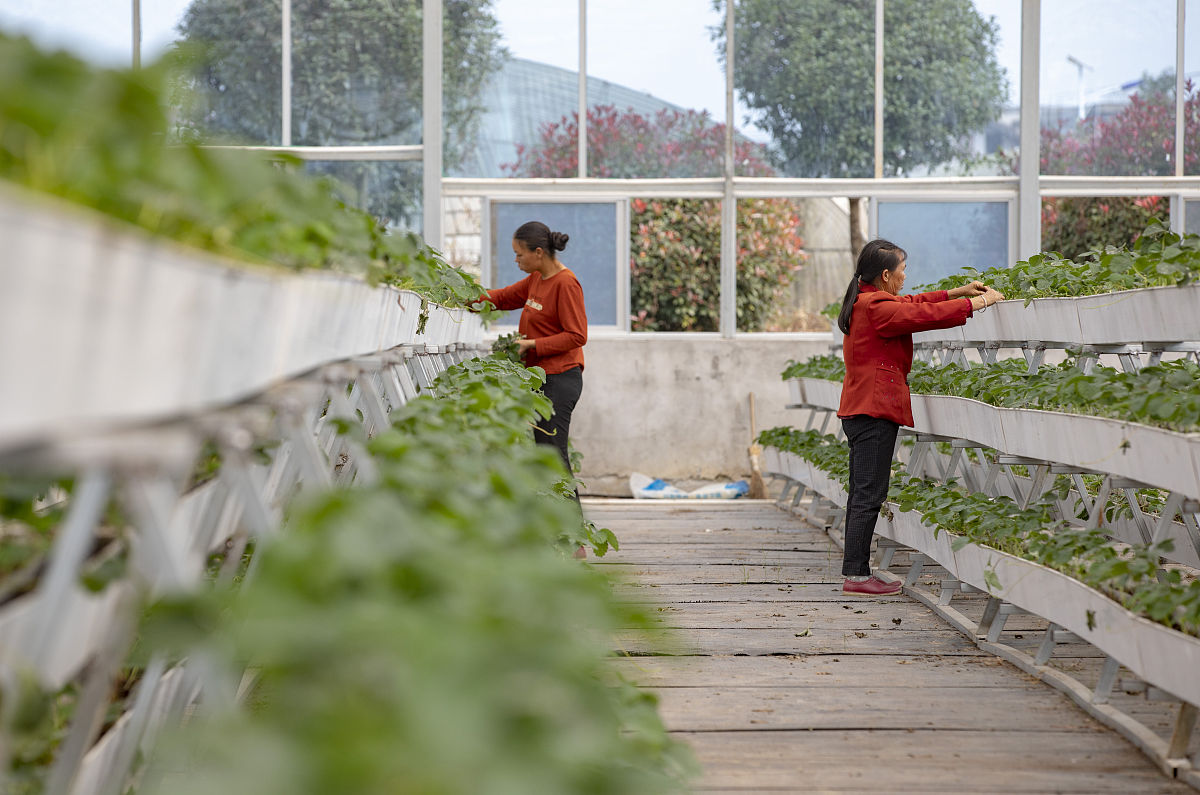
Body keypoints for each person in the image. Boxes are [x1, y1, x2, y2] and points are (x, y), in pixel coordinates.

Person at [836, 239, 1003, 595]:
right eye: (902, 270)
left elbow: (913, 303)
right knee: (869, 493)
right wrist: (977, 303)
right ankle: (857, 576)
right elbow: (921, 316)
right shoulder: (875, 306)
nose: (905, 277)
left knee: (863, 491)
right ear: (885, 275)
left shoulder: (868, 300)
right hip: (872, 410)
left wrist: (956, 291)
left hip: (863, 408)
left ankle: (858, 570)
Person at [484, 220, 588, 491]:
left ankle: (573, 528)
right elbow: (503, 298)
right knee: (546, 456)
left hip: (560, 380)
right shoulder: (536, 280)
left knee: (553, 457)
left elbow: (577, 335)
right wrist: (460, 297)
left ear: (539, 252)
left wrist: (532, 345)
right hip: (542, 380)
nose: (516, 259)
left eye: (520, 254)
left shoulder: (566, 284)